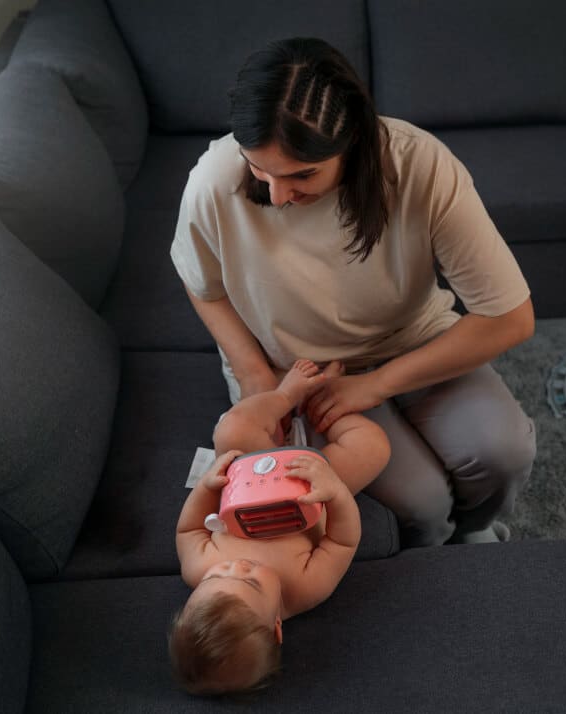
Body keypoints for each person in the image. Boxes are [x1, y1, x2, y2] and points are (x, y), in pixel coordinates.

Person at [170, 36, 536, 548]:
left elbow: (510, 317)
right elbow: (201, 285)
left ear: (354, 143)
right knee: (423, 503)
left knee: (504, 452)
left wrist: (379, 383)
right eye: (260, 169)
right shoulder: (213, 183)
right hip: (301, 376)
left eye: (302, 175)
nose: (278, 196)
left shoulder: (418, 165)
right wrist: (259, 378)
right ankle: (435, 559)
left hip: (414, 342)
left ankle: (475, 535)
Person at [169, 359, 389, 695]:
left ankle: (287, 397)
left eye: (217, 576)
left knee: (231, 429)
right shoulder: (306, 589)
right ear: (276, 628)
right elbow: (343, 542)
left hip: (250, 471)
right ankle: (321, 407)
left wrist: (206, 488)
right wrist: (335, 492)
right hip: (313, 486)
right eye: (252, 583)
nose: (237, 566)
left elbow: (189, 530)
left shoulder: (196, 567)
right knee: (373, 445)